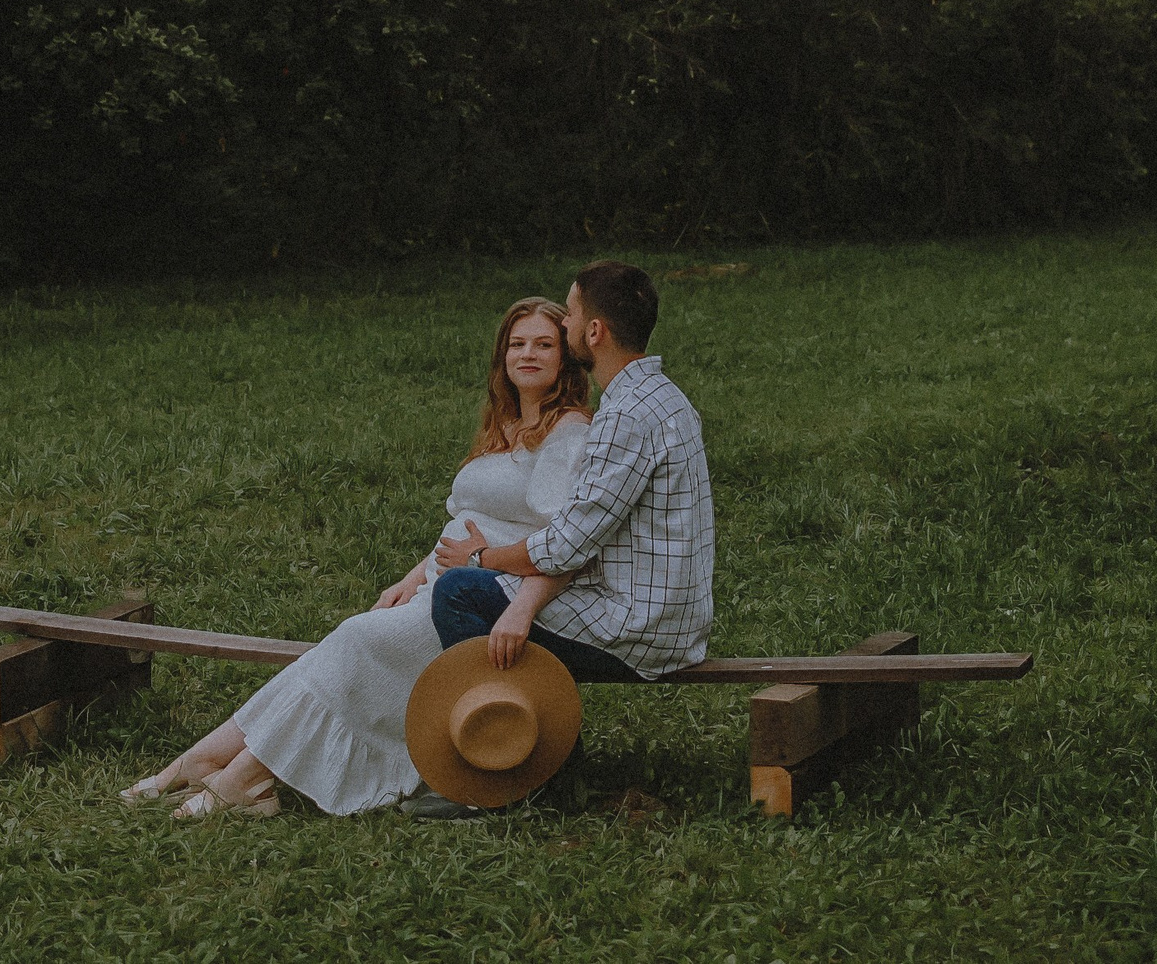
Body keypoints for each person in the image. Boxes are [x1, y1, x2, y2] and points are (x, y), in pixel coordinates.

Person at [118, 297, 594, 817]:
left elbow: (566, 543)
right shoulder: (502, 424)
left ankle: (240, 781)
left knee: (354, 641)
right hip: (441, 584)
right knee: (331, 653)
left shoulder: (568, 434)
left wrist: (520, 608)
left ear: (565, 359)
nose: (527, 354)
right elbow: (464, 520)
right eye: (517, 343)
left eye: (544, 344)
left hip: (490, 597)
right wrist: (411, 577)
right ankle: (198, 762)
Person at [429, 258, 715, 690]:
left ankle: (516, 744)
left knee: (458, 592)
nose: (564, 325)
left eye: (571, 315)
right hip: (674, 620)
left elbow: (565, 547)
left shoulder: (625, 417)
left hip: (638, 630)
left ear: (595, 332)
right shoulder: (666, 398)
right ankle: (545, 738)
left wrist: (480, 558)